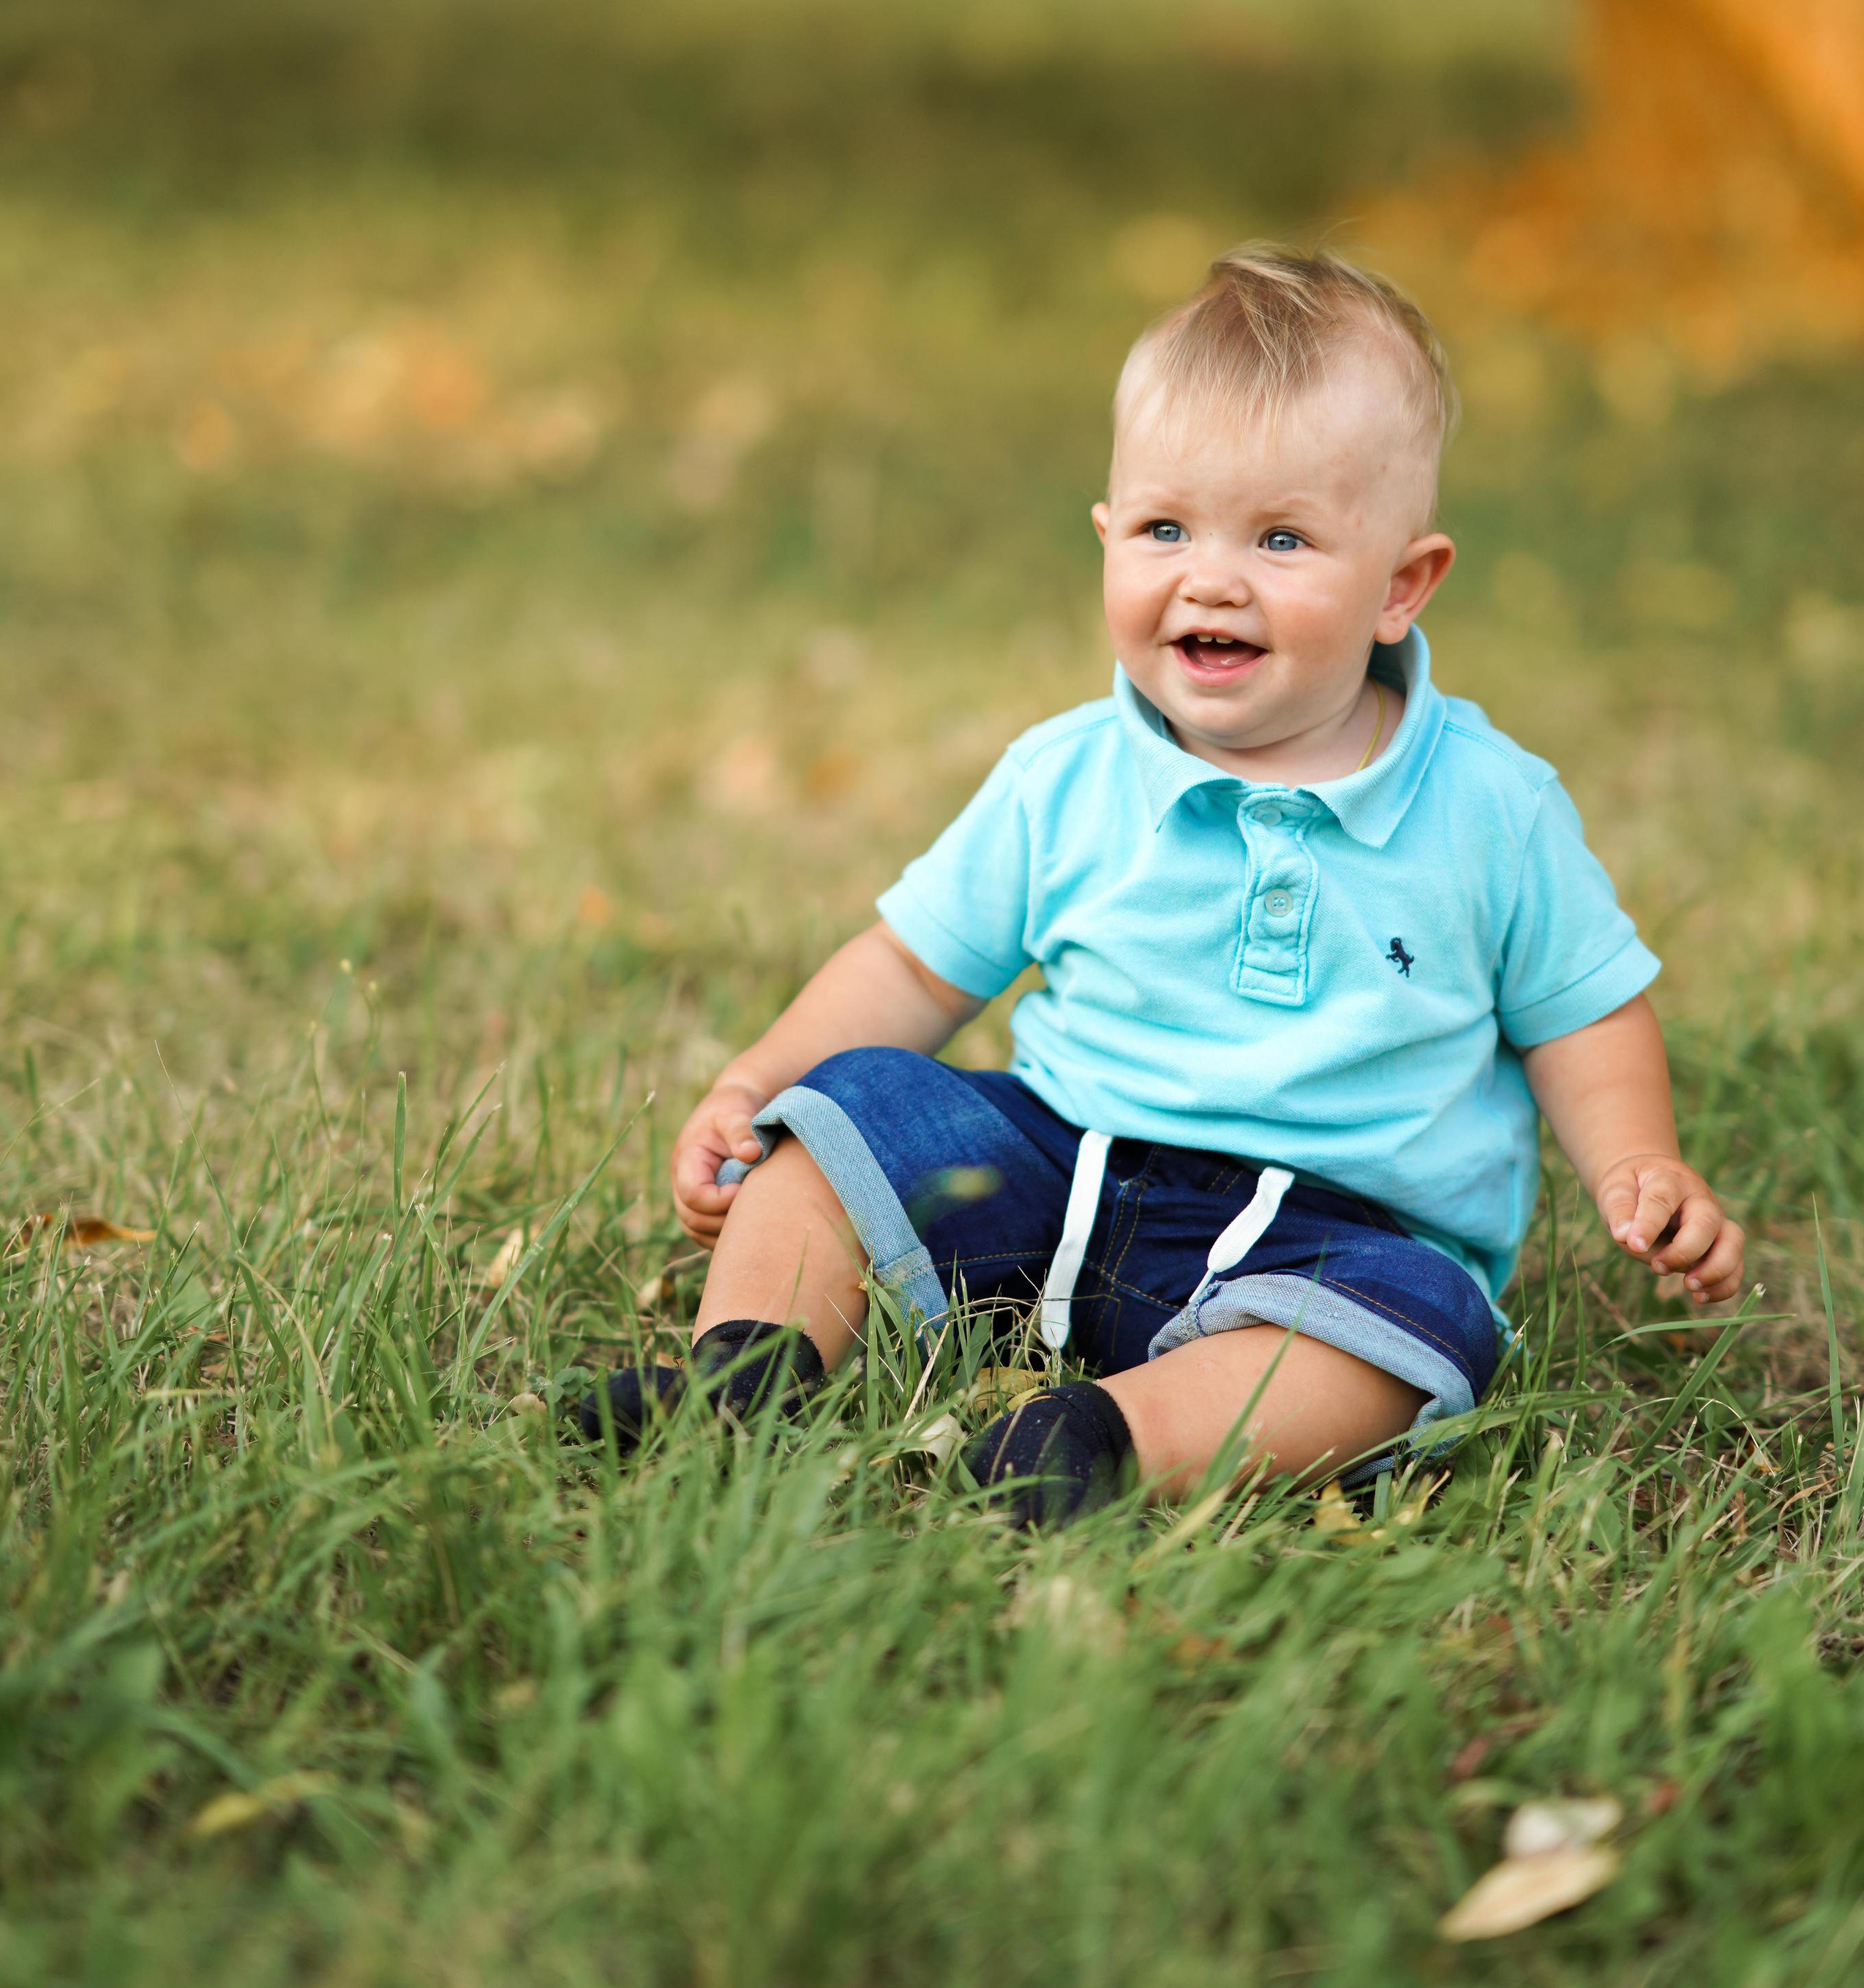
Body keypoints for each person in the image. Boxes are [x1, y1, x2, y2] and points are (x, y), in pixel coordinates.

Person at [576, 247, 1743, 1520]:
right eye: (1165, 529)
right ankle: (744, 1376)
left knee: (1420, 1322)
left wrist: (1641, 1161)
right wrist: (757, 1082)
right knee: (848, 1109)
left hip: (1331, 1240)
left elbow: (1582, 1013)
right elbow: (912, 966)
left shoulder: (1490, 809)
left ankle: (1103, 1441)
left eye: (1282, 538)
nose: (1212, 577)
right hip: (1059, 1171)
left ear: (1401, 585)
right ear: (1108, 537)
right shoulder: (1067, 776)